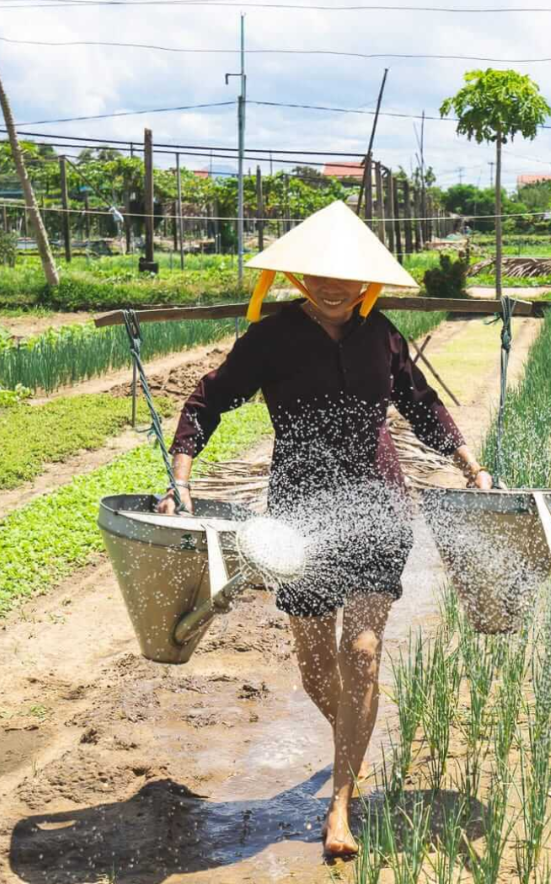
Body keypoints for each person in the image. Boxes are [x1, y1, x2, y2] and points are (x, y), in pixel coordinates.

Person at [158, 202, 491, 857]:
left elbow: (420, 404)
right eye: (317, 274)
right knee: (315, 669)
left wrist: (469, 465)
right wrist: (181, 477)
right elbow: (208, 400)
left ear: (367, 278)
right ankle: (354, 741)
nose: (332, 286)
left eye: (344, 275)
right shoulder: (271, 339)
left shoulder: (381, 334)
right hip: (299, 516)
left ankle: (339, 808)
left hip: (377, 504)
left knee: (361, 655)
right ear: (297, 276)